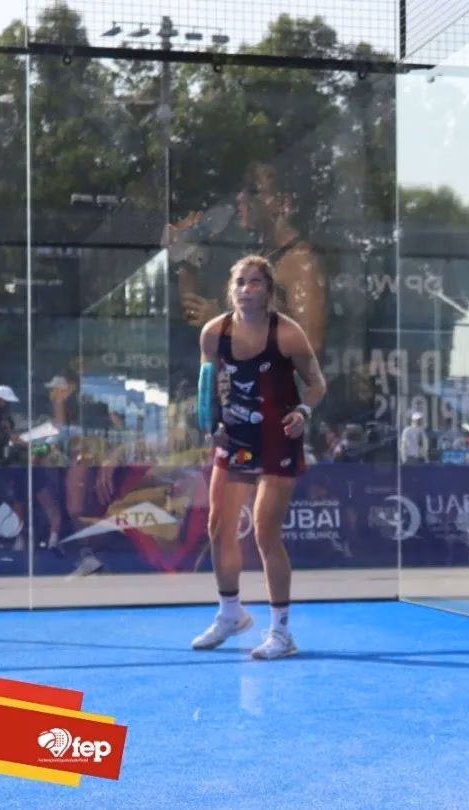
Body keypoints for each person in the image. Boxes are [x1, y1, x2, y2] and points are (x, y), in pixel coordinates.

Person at [190, 255, 327, 660]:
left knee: (267, 533)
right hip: (234, 440)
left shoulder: (286, 334)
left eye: (255, 283)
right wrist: (210, 424)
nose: (246, 289)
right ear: (230, 289)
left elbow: (316, 384)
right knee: (218, 527)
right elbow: (206, 389)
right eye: (240, 282)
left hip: (278, 440)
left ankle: (282, 633)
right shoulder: (213, 333)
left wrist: (303, 412)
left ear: (268, 290)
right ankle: (231, 614)